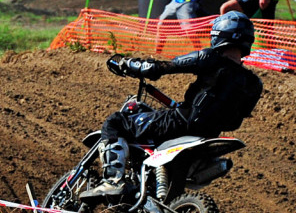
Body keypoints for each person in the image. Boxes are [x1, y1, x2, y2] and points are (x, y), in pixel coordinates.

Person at [81, 11, 264, 200]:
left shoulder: (209, 58)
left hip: (179, 122)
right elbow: (236, 119)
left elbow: (160, 67)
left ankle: (113, 181)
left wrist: (129, 64)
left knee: (116, 122)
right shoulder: (254, 83)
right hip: (209, 134)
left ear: (219, 35)